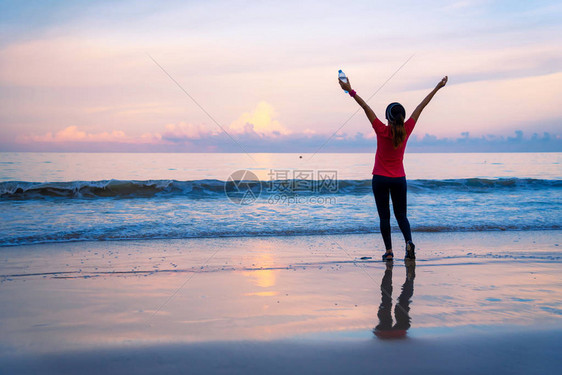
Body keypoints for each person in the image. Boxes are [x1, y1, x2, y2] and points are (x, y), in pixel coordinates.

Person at [339, 74, 448, 261]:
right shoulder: (407, 130)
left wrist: (350, 90)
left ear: (388, 118)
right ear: (402, 117)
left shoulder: (381, 129)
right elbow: (421, 106)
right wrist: (438, 87)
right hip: (399, 179)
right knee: (401, 216)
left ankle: (389, 252)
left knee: (384, 218)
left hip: (380, 178)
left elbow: (365, 107)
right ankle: (408, 242)